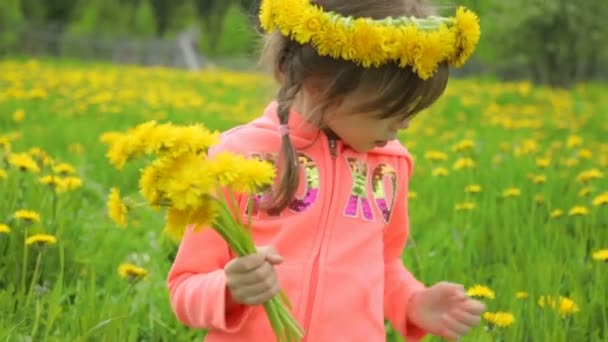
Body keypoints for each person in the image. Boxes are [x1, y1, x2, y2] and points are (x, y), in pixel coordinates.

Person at [167, 0, 485, 341]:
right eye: (390, 107)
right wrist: (227, 289)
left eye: (412, 109)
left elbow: (385, 264)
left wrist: (412, 300)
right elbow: (185, 286)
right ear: (320, 83)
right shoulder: (235, 159)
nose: (404, 123)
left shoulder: (390, 166)